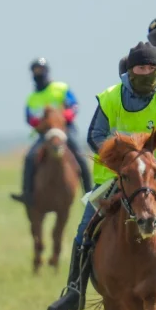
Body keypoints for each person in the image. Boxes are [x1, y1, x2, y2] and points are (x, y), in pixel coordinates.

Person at [47, 43, 156, 310]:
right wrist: (120, 162)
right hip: (116, 174)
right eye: (140, 67)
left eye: (150, 68)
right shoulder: (110, 98)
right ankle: (75, 289)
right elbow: (94, 136)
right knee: (85, 225)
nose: (145, 72)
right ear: (130, 70)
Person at [11, 58, 92, 204]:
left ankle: (90, 194)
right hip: (44, 134)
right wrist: (37, 122)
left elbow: (74, 105)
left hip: (65, 131)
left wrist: (66, 115)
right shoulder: (32, 98)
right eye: (35, 71)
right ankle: (27, 194)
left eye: (40, 70)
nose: (38, 74)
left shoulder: (61, 88)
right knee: (30, 157)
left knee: (80, 157)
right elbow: (29, 117)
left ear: (46, 71)